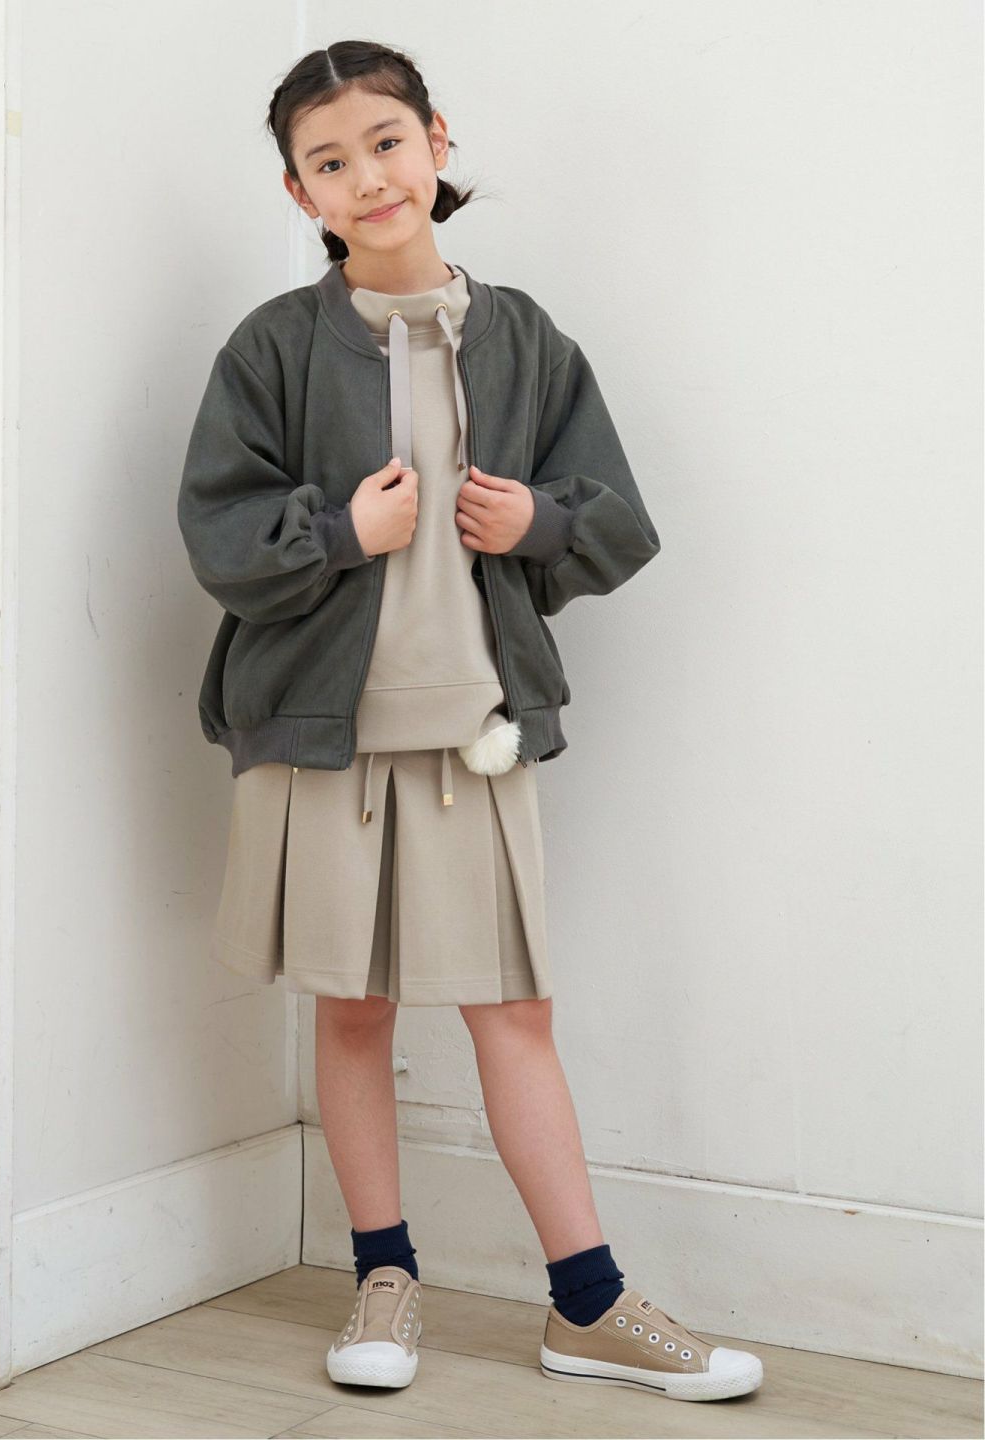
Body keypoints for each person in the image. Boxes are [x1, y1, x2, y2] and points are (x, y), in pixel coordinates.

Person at [177, 38, 763, 1405]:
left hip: (474, 738)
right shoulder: (271, 346)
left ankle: (589, 1305)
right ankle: (384, 1278)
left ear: (437, 142)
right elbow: (218, 535)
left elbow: (617, 520)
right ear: (299, 192)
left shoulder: (525, 337)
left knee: (516, 1012)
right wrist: (342, 530)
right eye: (330, 161)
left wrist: (538, 522)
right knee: (354, 1011)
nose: (367, 176)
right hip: (318, 738)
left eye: (386, 142)